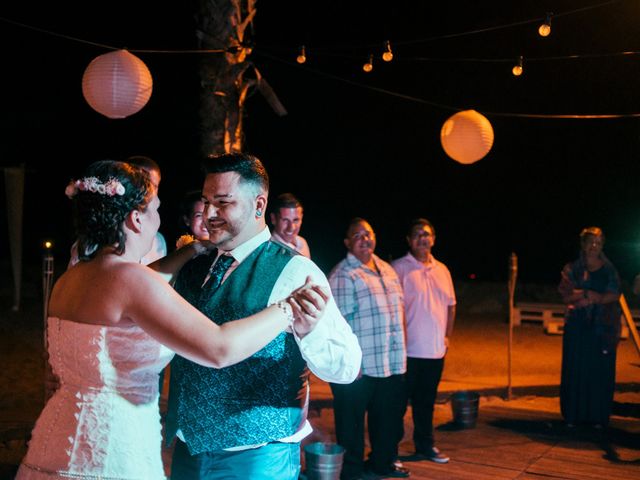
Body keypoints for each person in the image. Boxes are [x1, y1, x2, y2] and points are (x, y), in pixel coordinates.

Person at [16, 160, 329, 480]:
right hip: (114, 448)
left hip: (56, 440)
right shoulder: (131, 281)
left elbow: (137, 287)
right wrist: (288, 308)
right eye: (155, 211)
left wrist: (190, 251)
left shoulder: (72, 280)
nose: (158, 221)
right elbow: (219, 348)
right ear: (136, 219)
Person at [165, 153, 361, 480]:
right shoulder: (192, 265)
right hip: (188, 452)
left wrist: (310, 332)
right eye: (206, 201)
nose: (209, 214)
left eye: (223, 203)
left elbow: (348, 367)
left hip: (259, 459)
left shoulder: (296, 271)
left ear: (259, 205)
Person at [328, 218, 409, 480]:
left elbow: (398, 314)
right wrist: (353, 364)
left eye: (368, 234)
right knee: (350, 423)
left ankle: (381, 465)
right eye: (357, 235)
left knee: (387, 421)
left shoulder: (387, 269)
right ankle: (351, 472)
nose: (365, 239)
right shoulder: (343, 274)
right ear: (347, 243)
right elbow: (339, 325)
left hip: (390, 362)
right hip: (359, 367)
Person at [392, 218, 454, 464]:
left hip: (435, 352)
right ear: (409, 240)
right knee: (398, 405)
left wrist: (447, 337)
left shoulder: (443, 270)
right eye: (417, 235)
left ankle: (425, 446)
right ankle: (390, 451)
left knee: (426, 404)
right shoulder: (399, 268)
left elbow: (451, 306)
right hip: (407, 352)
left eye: (426, 234)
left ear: (433, 239)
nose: (422, 239)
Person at [558, 226, 621, 428]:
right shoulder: (573, 268)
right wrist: (584, 296)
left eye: (598, 243)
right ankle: (573, 416)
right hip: (577, 327)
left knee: (599, 371)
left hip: (602, 329)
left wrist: (594, 297)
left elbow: (615, 293)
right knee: (576, 369)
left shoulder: (609, 269)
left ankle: (597, 418)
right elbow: (566, 294)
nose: (594, 246)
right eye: (591, 242)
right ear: (583, 245)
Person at [67, 155, 167, 267]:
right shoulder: (87, 246)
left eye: (153, 185)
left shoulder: (158, 241)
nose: (147, 190)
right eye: (139, 181)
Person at [270, 192, 311, 257]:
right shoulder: (270, 251)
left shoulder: (302, 242)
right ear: (273, 219)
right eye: (285, 220)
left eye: (296, 220)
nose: (291, 228)